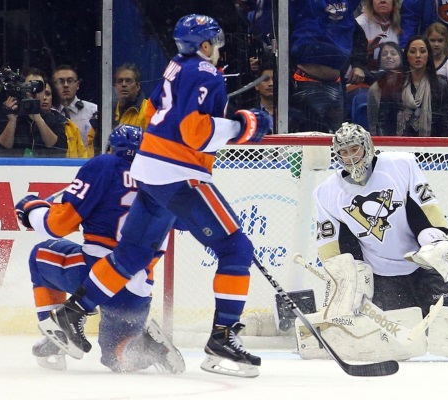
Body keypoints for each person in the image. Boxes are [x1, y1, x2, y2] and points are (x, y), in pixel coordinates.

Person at [34, 14, 271, 378]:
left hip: (149, 169)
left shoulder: (175, 66)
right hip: (180, 173)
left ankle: (72, 313)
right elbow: (194, 133)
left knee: (132, 253)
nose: (219, 50)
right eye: (217, 43)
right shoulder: (207, 74)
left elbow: (157, 107)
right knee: (236, 249)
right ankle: (223, 337)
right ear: (206, 45)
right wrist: (245, 125)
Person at [297, 122, 448, 362]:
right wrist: (351, 277)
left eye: (355, 149)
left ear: (367, 146)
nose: (350, 157)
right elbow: (333, 246)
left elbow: (425, 210)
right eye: (344, 152)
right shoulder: (326, 192)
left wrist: (432, 242)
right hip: (382, 276)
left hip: (422, 264)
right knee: (393, 345)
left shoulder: (401, 164)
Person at [15, 124, 184, 373]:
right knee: (117, 356)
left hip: (97, 272)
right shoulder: (161, 179)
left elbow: (58, 226)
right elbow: (186, 221)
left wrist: (33, 211)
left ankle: (59, 336)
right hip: (138, 291)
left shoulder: (104, 165)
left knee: (41, 255)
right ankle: (150, 348)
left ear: (109, 148)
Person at [289, 0, 362, 133]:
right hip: (307, 82)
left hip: (336, 83)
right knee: (311, 142)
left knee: (337, 141)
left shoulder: (347, 4)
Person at [0, 68, 67, 157]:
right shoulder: (5, 115)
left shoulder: (55, 119)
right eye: (29, 86)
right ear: (22, 89)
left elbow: (59, 148)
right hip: (13, 168)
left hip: (44, 168)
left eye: (39, 88)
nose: (34, 91)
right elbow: (1, 149)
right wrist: (12, 121)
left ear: (44, 92)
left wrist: (38, 118)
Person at [397, 36, 448, 136]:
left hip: (431, 146)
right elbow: (385, 121)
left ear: (428, 55)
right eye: (413, 52)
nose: (418, 55)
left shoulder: (441, 86)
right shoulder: (396, 85)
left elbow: (446, 125)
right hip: (399, 146)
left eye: (422, 51)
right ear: (407, 57)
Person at [52, 65, 98, 152]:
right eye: (60, 81)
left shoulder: (93, 110)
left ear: (77, 85)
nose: (65, 85)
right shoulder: (50, 113)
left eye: (70, 81)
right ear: (53, 86)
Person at [40, 77, 87, 158]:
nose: (44, 98)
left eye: (47, 94)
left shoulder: (67, 124)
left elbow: (81, 155)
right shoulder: (20, 120)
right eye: (40, 94)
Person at [367, 42, 404, 136]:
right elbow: (373, 122)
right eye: (384, 54)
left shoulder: (409, 82)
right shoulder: (375, 89)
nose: (388, 56)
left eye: (393, 53)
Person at [113, 63, 149, 131]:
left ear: (138, 86)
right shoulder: (106, 111)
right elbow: (91, 140)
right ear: (115, 86)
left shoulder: (148, 110)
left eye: (128, 81)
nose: (123, 84)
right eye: (120, 81)